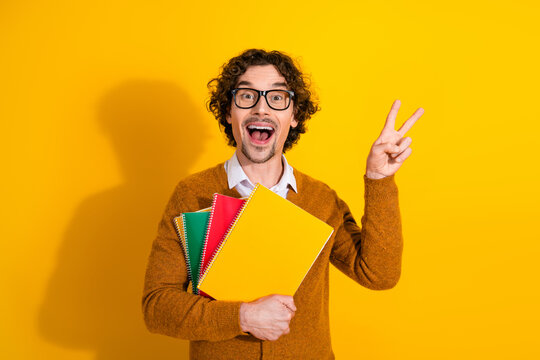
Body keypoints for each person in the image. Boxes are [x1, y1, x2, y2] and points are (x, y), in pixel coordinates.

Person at [142, 48, 424, 359]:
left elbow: (378, 274)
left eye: (277, 98)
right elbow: (157, 307)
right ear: (228, 112)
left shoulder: (320, 199)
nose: (261, 109)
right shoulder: (192, 194)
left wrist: (378, 180)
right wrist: (242, 316)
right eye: (247, 96)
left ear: (294, 117)